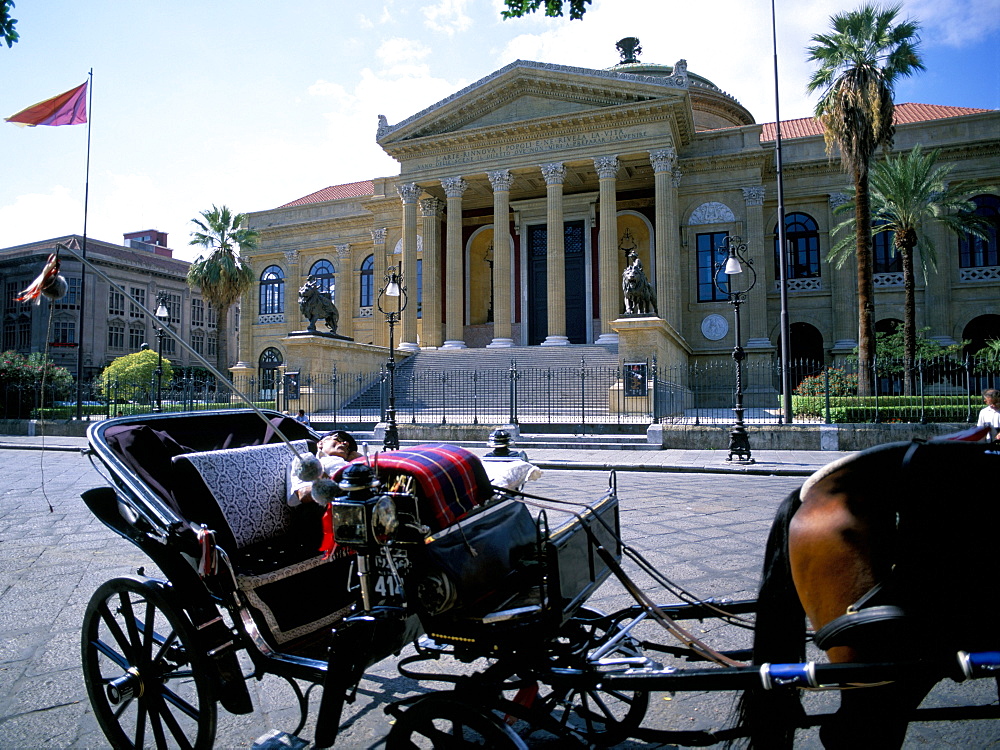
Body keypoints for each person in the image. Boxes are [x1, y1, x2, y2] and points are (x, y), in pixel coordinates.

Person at [287, 430, 360, 505]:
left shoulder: (352, 464)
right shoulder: (308, 460)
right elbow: (304, 494)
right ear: (320, 443)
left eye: (349, 448)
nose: (346, 443)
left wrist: (361, 460)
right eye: (338, 439)